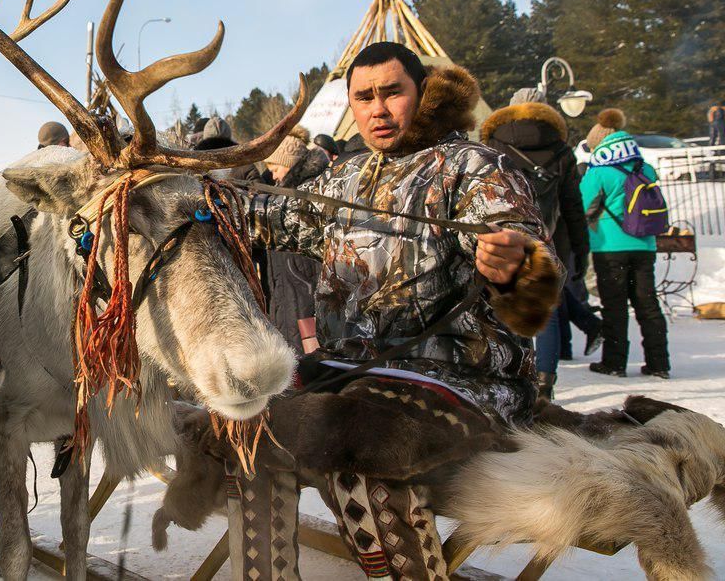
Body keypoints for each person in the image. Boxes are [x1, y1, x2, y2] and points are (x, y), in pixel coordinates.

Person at [249, 43, 560, 579]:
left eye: (393, 92)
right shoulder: (347, 176)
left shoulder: (475, 166)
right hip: (354, 373)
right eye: (364, 97)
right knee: (243, 427)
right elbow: (275, 216)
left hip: (464, 381)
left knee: (354, 450)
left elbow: (533, 262)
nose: (378, 108)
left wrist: (515, 262)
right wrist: (193, 195)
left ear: (423, 92)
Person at [482, 87, 598, 401]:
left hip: (503, 239)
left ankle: (515, 377)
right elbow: (573, 208)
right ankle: (545, 382)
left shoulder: (491, 146)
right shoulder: (561, 150)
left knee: (506, 309)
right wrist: (580, 252)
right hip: (550, 240)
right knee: (543, 311)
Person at [580, 108, 670, 379]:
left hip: (610, 248)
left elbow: (582, 205)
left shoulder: (600, 171)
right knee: (648, 305)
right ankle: (659, 363)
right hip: (645, 245)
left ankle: (615, 363)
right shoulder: (645, 167)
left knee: (615, 306)